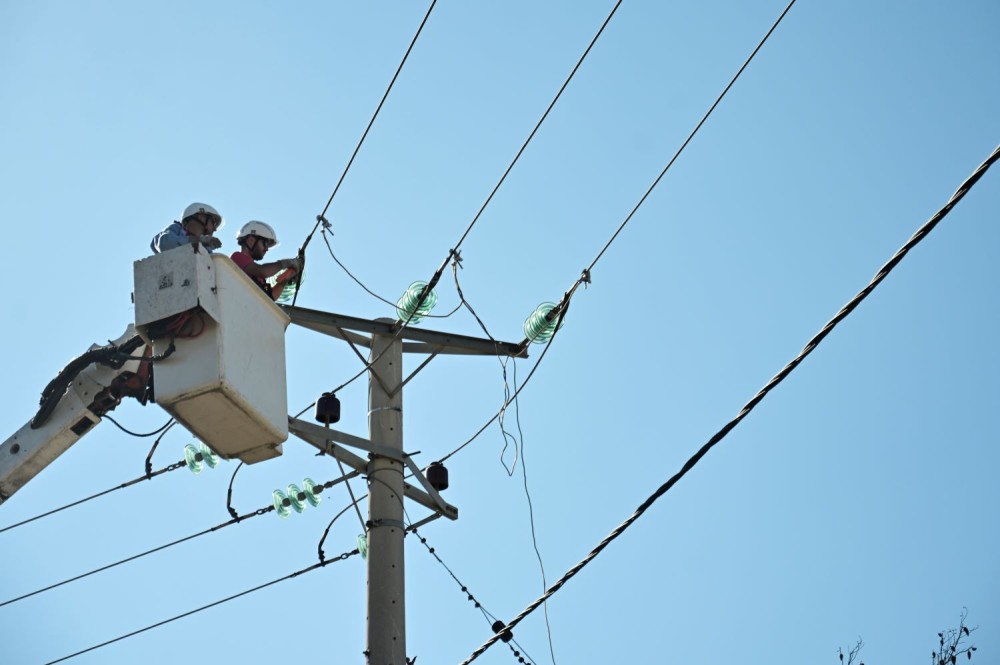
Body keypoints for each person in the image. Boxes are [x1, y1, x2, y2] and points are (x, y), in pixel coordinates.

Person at [230, 221, 302, 301]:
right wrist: (287, 263)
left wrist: (288, 276)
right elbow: (263, 271)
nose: (266, 249)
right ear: (251, 240)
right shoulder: (237, 257)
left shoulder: (258, 277)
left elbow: (271, 296)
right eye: (265, 243)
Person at [150, 202, 224, 254]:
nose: (214, 229)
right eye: (213, 222)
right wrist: (198, 240)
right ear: (201, 217)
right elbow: (165, 244)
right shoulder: (176, 229)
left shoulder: (207, 249)